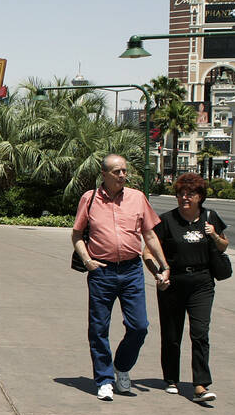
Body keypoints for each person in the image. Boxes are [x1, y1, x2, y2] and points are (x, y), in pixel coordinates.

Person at [72, 154, 169, 401]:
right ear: (103, 174)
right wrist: (87, 261)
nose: (122, 175)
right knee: (98, 328)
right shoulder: (89, 198)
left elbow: (149, 235)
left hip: (131, 271)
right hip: (101, 272)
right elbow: (76, 235)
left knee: (139, 327)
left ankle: (122, 367)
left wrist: (163, 265)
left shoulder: (137, 198)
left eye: (124, 171)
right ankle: (104, 379)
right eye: (117, 171)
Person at [146, 173, 227, 403]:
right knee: (172, 335)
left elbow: (223, 245)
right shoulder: (166, 220)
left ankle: (200, 384)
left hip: (202, 282)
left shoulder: (210, 217)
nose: (184, 198)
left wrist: (214, 236)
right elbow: (148, 252)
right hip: (174, 283)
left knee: (200, 333)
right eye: (180, 194)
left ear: (200, 197)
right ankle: (171, 378)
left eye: (190, 194)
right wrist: (158, 273)